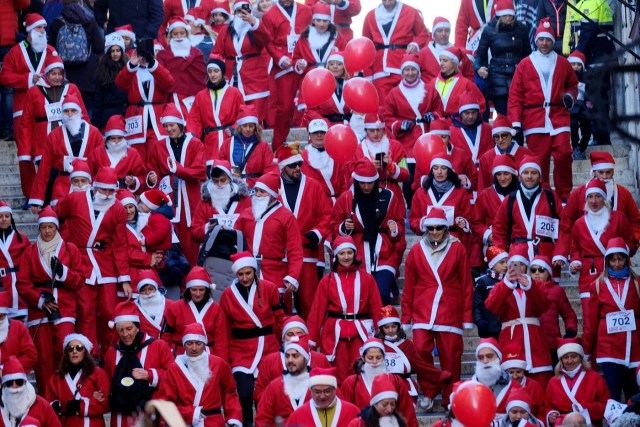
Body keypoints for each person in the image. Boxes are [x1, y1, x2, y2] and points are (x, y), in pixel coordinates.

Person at [54, 167, 131, 357]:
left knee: (108, 311)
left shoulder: (118, 208)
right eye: (103, 190)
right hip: (81, 262)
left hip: (106, 264)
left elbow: (121, 244)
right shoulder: (75, 199)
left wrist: (125, 278)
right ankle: (90, 355)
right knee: (86, 311)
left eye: (111, 190)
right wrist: (64, 244)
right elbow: (54, 214)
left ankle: (110, 353)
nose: (106, 195)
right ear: (95, 186)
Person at [401, 207, 473, 405]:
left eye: (438, 228)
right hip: (422, 308)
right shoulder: (416, 250)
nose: (434, 231)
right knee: (421, 350)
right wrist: (406, 316)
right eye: (430, 228)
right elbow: (408, 285)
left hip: (450, 308)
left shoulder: (458, 248)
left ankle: (451, 397)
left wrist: (467, 317)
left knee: (451, 355)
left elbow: (467, 284)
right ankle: (429, 390)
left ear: (446, 228)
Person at [507, 17, 578, 201]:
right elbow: (515, 95)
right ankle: (544, 196)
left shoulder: (563, 63)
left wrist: (570, 97)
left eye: (548, 39)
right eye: (541, 39)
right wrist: (516, 123)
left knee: (564, 154)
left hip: (558, 117)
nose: (544, 43)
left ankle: (564, 195)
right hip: (535, 119)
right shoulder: (524, 64)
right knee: (540, 161)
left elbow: (573, 85)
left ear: (553, 41)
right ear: (536, 40)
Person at [16, 207, 86, 392]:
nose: (47, 231)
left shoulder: (70, 250)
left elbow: (80, 280)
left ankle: (68, 393)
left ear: (57, 228)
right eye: (44, 227)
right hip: (39, 311)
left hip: (65, 309)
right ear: (39, 229)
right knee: (44, 359)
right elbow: (22, 283)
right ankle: (48, 400)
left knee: (66, 353)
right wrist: (39, 300)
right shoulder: (30, 252)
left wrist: (64, 273)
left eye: (50, 227)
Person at [219, 251, 285, 427]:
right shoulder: (227, 294)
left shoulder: (269, 288)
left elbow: (279, 318)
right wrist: (224, 359)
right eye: (240, 274)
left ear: (254, 271)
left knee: (265, 392)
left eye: (248, 273)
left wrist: (283, 344)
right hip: (240, 349)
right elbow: (224, 329)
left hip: (268, 346)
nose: (245, 277)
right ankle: (247, 423)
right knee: (245, 392)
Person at [307, 236, 382, 382]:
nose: (346, 257)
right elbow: (317, 313)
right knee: (338, 377)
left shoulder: (367, 279)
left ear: (355, 254)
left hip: (360, 334)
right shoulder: (326, 281)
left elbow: (376, 308)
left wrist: (381, 336)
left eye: (349, 253)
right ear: (335, 256)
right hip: (335, 335)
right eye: (342, 253)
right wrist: (311, 341)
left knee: (362, 374)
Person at [331, 158, 406, 305]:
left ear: (376, 181)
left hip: (384, 253)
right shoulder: (346, 198)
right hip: (358, 254)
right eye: (362, 183)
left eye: (370, 183)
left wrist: (395, 228)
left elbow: (399, 222)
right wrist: (344, 227)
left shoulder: (389, 196)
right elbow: (334, 225)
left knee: (382, 294)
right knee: (361, 296)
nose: (366, 187)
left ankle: (383, 325)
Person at [0, 13, 58, 201]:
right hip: (22, 109)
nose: (43, 31)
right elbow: (5, 77)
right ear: (31, 31)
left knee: (44, 152)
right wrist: (27, 79)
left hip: (45, 110)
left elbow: (60, 73)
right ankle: (29, 193)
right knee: (25, 153)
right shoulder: (15, 52)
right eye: (40, 28)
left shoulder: (50, 51)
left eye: (44, 28)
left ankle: (44, 192)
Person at [562, 179, 637, 322]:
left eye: (598, 196)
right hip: (588, 276)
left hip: (614, 272)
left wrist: (619, 252)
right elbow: (575, 249)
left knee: (613, 315)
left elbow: (631, 243)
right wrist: (575, 262)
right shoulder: (579, 224)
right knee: (590, 320)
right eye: (590, 197)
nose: (594, 201)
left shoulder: (619, 218)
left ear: (604, 197)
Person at [276, 143, 332, 319]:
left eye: (299, 164)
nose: (297, 168)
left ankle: (311, 342)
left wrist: (317, 233)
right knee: (282, 303)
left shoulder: (313, 186)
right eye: (293, 165)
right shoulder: (272, 187)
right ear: (283, 166)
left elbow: (326, 215)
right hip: (281, 255)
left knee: (309, 303)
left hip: (307, 252)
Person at [234, 172, 303, 314]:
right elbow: (235, 239)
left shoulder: (285, 216)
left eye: (263, 191)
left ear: (272, 194)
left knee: (277, 313)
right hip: (248, 269)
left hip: (274, 271)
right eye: (257, 191)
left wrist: (292, 276)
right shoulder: (246, 214)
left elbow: (295, 249)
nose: (258, 195)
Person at [146, 103, 206, 265]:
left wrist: (178, 170)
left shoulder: (195, 144)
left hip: (190, 201)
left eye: (171, 125)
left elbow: (200, 171)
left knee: (190, 243)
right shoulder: (159, 146)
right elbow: (154, 169)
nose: (169, 129)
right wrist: (152, 177)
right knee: (170, 242)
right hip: (169, 200)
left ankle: (191, 282)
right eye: (165, 126)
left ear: (179, 123)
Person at [486, 246, 553, 388]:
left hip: (535, 341)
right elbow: (491, 306)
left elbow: (544, 306)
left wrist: (530, 286)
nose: (518, 268)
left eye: (522, 264)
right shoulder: (500, 286)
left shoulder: (536, 286)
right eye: (514, 265)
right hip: (512, 341)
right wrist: (507, 285)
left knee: (540, 384)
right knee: (512, 386)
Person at [583, 238, 640, 402]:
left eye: (620, 259)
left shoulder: (637, 282)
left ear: (627, 259)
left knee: (633, 393)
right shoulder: (597, 285)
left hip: (634, 347)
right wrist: (587, 351)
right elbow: (591, 321)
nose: (617, 263)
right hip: (609, 348)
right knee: (612, 392)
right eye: (613, 259)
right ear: (607, 260)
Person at [383, 54, 443, 205]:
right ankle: (411, 208)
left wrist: (433, 116)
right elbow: (387, 117)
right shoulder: (394, 93)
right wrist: (400, 124)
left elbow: (440, 110)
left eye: (413, 70)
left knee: (428, 175)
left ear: (418, 72)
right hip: (406, 142)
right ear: (402, 72)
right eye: (407, 70)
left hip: (427, 139)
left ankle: (427, 207)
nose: (410, 73)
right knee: (409, 179)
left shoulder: (429, 90)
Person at [157, 323, 243, 427]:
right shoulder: (174, 369)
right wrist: (190, 413)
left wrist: (234, 417)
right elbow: (166, 404)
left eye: (198, 343)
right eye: (189, 343)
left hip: (214, 422)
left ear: (204, 344)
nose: (194, 348)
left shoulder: (219, 364)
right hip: (185, 423)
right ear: (183, 344)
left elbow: (229, 392)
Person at [104, 301, 174, 427]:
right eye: (121, 330)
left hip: (147, 416)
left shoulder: (158, 346)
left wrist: (151, 375)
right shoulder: (112, 352)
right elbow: (106, 383)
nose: (125, 334)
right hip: (119, 418)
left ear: (137, 327)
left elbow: (174, 378)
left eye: (129, 329)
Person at [29, 95, 102, 209]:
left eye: (73, 110)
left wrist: (103, 189)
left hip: (88, 185)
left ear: (79, 112)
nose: (69, 114)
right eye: (66, 111)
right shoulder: (54, 135)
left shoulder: (94, 133)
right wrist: (37, 199)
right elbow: (44, 168)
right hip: (62, 187)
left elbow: (102, 164)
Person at [374, 305, 450, 411]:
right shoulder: (376, 344)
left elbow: (420, 365)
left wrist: (438, 375)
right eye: (386, 327)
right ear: (381, 328)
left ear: (398, 326)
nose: (390, 330)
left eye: (393, 326)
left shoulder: (406, 344)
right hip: (384, 385)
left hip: (405, 385)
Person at [491, 155, 564, 262]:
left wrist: (560, 253)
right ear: (520, 176)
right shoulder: (510, 199)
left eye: (534, 173)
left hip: (546, 256)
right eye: (526, 173)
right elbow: (498, 230)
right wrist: (500, 256)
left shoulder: (550, 197)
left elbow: (565, 227)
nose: (529, 176)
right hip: (518, 256)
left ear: (540, 176)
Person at [262, 0, 312, 152]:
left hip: (305, 60)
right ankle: (278, 146)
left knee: (310, 103)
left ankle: (313, 143)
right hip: (285, 63)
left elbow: (315, 31)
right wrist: (278, 57)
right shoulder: (269, 15)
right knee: (284, 107)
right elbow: (267, 41)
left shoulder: (306, 11)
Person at [19, 56, 88, 166]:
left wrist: (88, 142)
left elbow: (83, 116)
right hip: (43, 144)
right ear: (46, 74)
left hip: (69, 143)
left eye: (60, 74)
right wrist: (25, 152)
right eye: (53, 74)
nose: (57, 77)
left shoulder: (72, 89)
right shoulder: (33, 92)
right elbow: (26, 124)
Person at [562, 151, 640, 244]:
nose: (604, 177)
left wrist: (631, 243)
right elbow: (567, 222)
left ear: (613, 172)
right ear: (594, 172)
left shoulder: (624, 194)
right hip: (586, 252)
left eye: (608, 172)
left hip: (616, 254)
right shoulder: (578, 193)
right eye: (601, 172)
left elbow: (636, 221)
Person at [114, 45, 176, 162]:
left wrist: (152, 63)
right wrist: (131, 65)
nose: (143, 57)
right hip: (136, 119)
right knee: (137, 158)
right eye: (141, 54)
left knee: (158, 156)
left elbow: (169, 84)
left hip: (157, 120)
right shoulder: (132, 71)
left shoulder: (158, 67)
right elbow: (119, 83)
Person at [361, 0, 430, 104]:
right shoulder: (370, 16)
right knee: (383, 107)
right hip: (380, 69)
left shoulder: (411, 12)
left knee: (406, 104)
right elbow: (366, 47)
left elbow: (423, 34)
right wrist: (368, 75)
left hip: (404, 68)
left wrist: (415, 44)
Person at [254, 316, 331, 404]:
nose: (295, 338)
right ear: (283, 338)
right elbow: (258, 392)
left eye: (299, 334)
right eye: (290, 334)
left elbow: (332, 388)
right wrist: (276, 400)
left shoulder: (320, 359)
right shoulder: (270, 361)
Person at [340, 339, 417, 427]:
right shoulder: (351, 383)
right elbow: (346, 413)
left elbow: (408, 412)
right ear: (363, 357)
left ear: (384, 357)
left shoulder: (396, 381)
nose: (374, 362)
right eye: (370, 358)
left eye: (379, 357)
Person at [47, 0, 104, 117]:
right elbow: (99, 47)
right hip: (88, 78)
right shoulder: (90, 21)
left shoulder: (57, 23)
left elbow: (50, 51)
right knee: (87, 114)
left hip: (65, 78)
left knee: (68, 114)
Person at [475, 0, 531, 116]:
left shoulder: (521, 29)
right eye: (505, 15)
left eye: (510, 15)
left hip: (518, 75)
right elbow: (480, 55)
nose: (508, 18)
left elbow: (528, 54)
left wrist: (524, 67)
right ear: (499, 15)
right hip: (497, 77)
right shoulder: (489, 30)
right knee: (504, 117)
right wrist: (479, 68)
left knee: (518, 117)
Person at [408, 154, 473, 249]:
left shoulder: (460, 192)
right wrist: (423, 223)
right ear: (431, 171)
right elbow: (413, 220)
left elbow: (470, 219)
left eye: (443, 168)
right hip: (428, 240)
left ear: (449, 171)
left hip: (452, 242)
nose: (439, 172)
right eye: (435, 168)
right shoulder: (421, 192)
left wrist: (463, 223)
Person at [162, 267, 229, 359]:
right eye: (194, 290)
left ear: (207, 290)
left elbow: (221, 342)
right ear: (188, 289)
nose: (198, 294)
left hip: (208, 355)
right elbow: (166, 337)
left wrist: (221, 364)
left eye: (201, 290)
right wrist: (165, 358)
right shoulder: (174, 308)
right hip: (180, 355)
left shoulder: (217, 309)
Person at [187, 54, 245, 160]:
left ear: (222, 72)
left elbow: (242, 115)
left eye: (216, 71)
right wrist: (192, 135)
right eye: (210, 71)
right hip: (209, 144)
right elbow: (194, 119)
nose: (212, 75)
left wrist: (235, 129)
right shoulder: (201, 96)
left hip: (229, 140)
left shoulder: (235, 93)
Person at [45, 334, 111, 427]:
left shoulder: (98, 373)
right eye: (70, 348)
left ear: (85, 351)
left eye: (79, 348)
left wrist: (79, 406)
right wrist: (56, 406)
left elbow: (105, 403)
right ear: (66, 353)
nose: (74, 351)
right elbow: (49, 403)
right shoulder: (57, 377)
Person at [544, 338, 610, 427]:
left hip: (587, 422)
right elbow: (547, 406)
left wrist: (584, 407)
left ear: (580, 357)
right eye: (565, 357)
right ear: (561, 360)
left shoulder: (595, 377)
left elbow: (606, 406)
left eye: (574, 356)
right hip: (562, 423)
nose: (570, 361)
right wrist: (550, 414)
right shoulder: (553, 381)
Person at [254, 334, 313, 425]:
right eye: (287, 356)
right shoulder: (275, 386)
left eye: (295, 356)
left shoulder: (319, 383)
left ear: (306, 359)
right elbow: (262, 418)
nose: (290, 360)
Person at [530, 256, 578, 368]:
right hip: (531, 343)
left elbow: (569, 315)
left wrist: (570, 332)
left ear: (548, 272)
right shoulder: (524, 290)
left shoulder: (557, 291)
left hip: (552, 343)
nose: (537, 273)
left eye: (541, 270)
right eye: (533, 270)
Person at [218, 105, 278, 189]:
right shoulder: (227, 143)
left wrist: (262, 187)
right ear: (239, 126)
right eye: (245, 125)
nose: (248, 129)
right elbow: (221, 165)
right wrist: (230, 173)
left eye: (251, 126)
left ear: (255, 127)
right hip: (232, 187)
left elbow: (270, 169)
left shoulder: (263, 146)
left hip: (256, 189)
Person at [156, 17, 206, 118]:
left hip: (195, 98)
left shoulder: (197, 54)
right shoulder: (163, 56)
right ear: (170, 36)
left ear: (187, 34)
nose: (179, 37)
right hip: (173, 99)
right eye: (175, 34)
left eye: (182, 33)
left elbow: (202, 79)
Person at [472, 155, 520, 259]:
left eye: (506, 173)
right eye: (499, 174)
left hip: (519, 245)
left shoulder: (521, 193)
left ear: (513, 174)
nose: (502, 178)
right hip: (495, 245)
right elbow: (476, 223)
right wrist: (489, 235)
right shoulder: (485, 195)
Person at [355, 113, 409, 205]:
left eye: (378, 130)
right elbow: (352, 176)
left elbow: (406, 174)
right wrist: (368, 169)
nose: (375, 134)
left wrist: (392, 167)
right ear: (366, 130)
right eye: (372, 130)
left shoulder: (396, 146)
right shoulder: (359, 149)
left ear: (383, 129)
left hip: (393, 194)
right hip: (367, 193)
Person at [87, 115, 146, 191]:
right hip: (100, 194)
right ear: (108, 138)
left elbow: (142, 176)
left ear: (124, 137)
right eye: (113, 138)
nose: (116, 141)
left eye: (119, 138)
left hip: (124, 194)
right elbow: (88, 176)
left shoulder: (133, 154)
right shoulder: (97, 153)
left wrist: (133, 181)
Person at [286, 367, 360, 427]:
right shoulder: (298, 415)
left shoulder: (352, 412)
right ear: (311, 391)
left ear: (335, 390)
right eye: (317, 392)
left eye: (327, 391)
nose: (322, 396)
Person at [0, 356, 62, 427]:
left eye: (19, 381)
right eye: (9, 382)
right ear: (4, 385)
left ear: (25, 382)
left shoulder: (42, 405)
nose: (15, 386)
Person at [116, 190, 165, 275]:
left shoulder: (147, 220)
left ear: (135, 207)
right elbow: (125, 252)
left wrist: (158, 259)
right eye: (124, 208)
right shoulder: (117, 228)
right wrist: (149, 259)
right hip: (132, 272)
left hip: (153, 272)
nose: (128, 211)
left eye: (130, 207)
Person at [477, 116, 533, 191]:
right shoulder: (486, 158)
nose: (500, 140)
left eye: (504, 135)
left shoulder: (526, 155)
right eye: (496, 137)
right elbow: (482, 187)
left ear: (511, 134)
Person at [300, 118, 348, 205]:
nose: (319, 135)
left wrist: (343, 203)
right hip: (314, 204)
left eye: (322, 132)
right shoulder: (302, 157)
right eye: (315, 132)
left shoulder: (336, 154)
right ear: (309, 135)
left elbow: (343, 183)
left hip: (336, 203)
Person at [293, 3, 346, 79]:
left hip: (331, 79)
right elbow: (296, 58)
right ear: (313, 21)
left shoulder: (338, 39)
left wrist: (337, 55)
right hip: (310, 79)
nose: (321, 24)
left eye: (325, 21)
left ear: (329, 22)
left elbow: (346, 59)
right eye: (318, 20)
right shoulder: (303, 39)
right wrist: (299, 65)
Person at [449, 91, 493, 180]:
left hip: (486, 175)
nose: (470, 116)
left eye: (473, 112)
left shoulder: (488, 129)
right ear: (460, 114)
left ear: (478, 112)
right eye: (467, 113)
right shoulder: (452, 132)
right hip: (463, 177)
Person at [431, 47, 486, 118]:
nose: (441, 63)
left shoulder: (466, 84)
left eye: (445, 61)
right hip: (436, 127)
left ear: (454, 63)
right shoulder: (433, 83)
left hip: (457, 126)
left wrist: (467, 120)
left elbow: (481, 104)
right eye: (440, 60)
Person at [470, 338, 522, 413]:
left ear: (498, 358)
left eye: (490, 356)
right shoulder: (468, 386)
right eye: (481, 358)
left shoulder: (515, 387)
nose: (485, 361)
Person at [301, 52, 352, 127]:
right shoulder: (319, 85)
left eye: (339, 64)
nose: (335, 67)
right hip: (325, 127)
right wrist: (324, 124)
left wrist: (354, 123)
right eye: (331, 64)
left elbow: (359, 109)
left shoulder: (351, 85)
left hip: (349, 127)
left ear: (344, 66)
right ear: (327, 67)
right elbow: (311, 110)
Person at [419, 16, 475, 82]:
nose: (444, 34)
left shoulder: (459, 53)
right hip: (431, 91)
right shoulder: (423, 54)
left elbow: (469, 75)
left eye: (447, 30)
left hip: (455, 91)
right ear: (433, 34)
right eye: (440, 31)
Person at [0, 201, 31, 318]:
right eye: (0, 216)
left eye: (7, 216)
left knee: (20, 324)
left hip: (18, 284)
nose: (4, 219)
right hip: (2, 285)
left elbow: (30, 261)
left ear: (11, 218)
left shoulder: (21, 237)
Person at [501, 343, 546, 420]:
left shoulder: (534, 386)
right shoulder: (500, 388)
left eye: (518, 372)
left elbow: (542, 412)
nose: (515, 376)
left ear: (524, 371)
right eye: (511, 372)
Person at [94, 33, 129, 130]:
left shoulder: (128, 68)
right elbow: (98, 99)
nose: (115, 54)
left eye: (118, 50)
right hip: (109, 114)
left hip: (126, 112)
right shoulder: (102, 71)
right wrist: (96, 124)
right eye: (112, 51)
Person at [473, 246, 508, 339]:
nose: (506, 265)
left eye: (507, 262)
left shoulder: (509, 281)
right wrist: (479, 319)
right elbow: (477, 303)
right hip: (488, 327)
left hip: (506, 327)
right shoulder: (482, 282)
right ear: (492, 264)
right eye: (502, 262)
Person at [0, 290, 37, 372]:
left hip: (14, 379)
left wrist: (8, 368)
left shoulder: (18, 327)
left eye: (1, 316)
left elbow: (31, 355)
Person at [132, 270, 172, 339]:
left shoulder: (171, 305)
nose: (147, 293)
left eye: (150, 289)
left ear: (156, 288)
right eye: (143, 290)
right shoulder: (133, 307)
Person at [94, 0, 163, 39]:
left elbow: (157, 15)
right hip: (115, 40)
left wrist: (147, 37)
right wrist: (103, 22)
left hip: (140, 40)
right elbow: (99, 7)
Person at [567, 51, 591, 160]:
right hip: (572, 107)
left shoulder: (587, 77)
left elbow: (591, 91)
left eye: (578, 64)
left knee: (587, 131)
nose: (576, 67)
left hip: (584, 107)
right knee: (573, 126)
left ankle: (582, 147)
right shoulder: (565, 78)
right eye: (573, 64)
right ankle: (575, 147)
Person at [137, 189, 174, 258]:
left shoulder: (159, 217)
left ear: (150, 205)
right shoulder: (154, 216)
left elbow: (160, 233)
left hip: (158, 250)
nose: (141, 205)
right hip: (154, 248)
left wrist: (147, 241)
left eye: (143, 203)